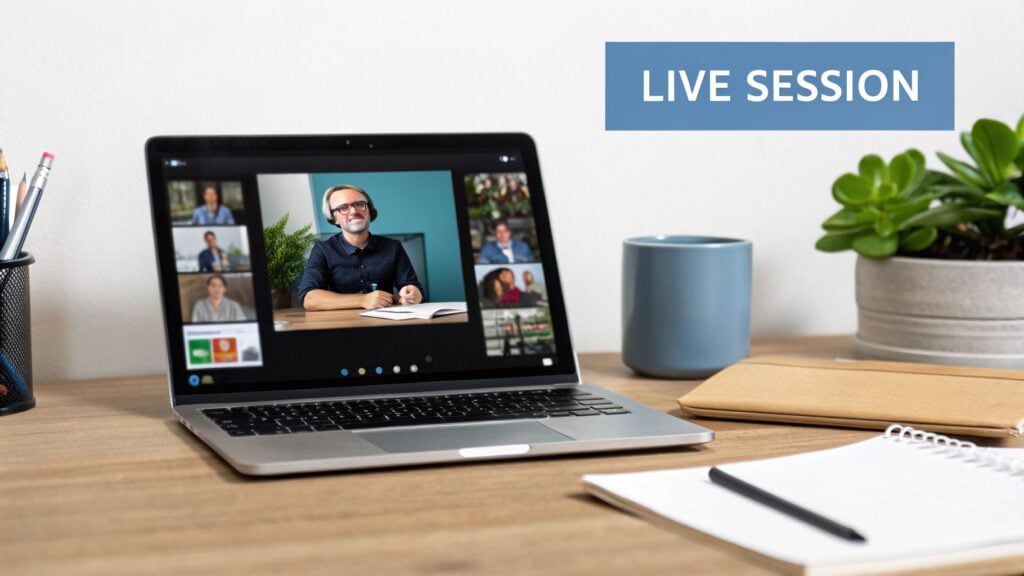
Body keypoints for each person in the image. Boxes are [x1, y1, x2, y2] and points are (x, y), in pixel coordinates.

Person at [298, 184, 423, 311]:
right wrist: (363, 300)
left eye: (359, 204)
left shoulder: (393, 247)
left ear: (369, 210)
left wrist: (414, 293)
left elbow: (412, 286)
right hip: (341, 324)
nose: (354, 211)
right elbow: (309, 298)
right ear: (333, 218)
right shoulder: (323, 250)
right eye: (343, 208)